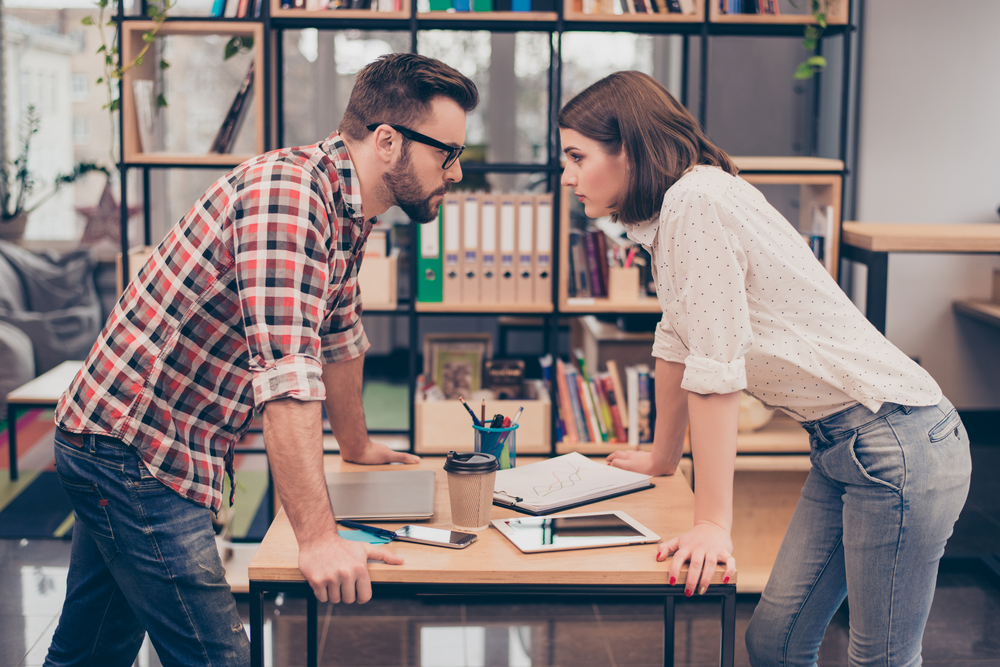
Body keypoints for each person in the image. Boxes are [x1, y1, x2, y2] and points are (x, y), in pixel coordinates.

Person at [44, 53, 478, 667]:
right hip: (133, 449)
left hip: (126, 436)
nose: (455, 173)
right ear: (387, 142)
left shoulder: (348, 205)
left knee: (90, 651)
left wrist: (355, 446)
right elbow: (286, 380)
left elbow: (340, 335)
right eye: (448, 154)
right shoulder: (292, 198)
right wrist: (319, 540)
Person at [558, 70, 971, 666]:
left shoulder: (695, 201)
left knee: (880, 659)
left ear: (631, 148)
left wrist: (712, 524)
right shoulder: (677, 209)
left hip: (897, 443)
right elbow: (677, 341)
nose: (567, 175)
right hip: (847, 447)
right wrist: (661, 457)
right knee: (774, 642)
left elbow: (717, 370)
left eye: (577, 156)